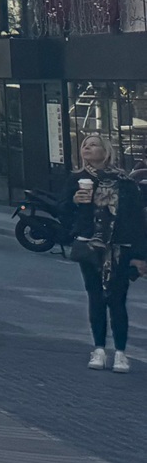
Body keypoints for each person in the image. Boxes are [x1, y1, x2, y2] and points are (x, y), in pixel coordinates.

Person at [57, 133, 147, 372]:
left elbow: (137, 220)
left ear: (105, 151)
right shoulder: (77, 179)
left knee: (117, 299)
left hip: (120, 247)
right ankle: (98, 349)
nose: (87, 148)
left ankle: (120, 352)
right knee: (95, 297)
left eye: (93, 144)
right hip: (89, 244)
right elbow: (62, 212)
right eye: (85, 145)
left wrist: (140, 255)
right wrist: (75, 201)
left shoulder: (125, 182)